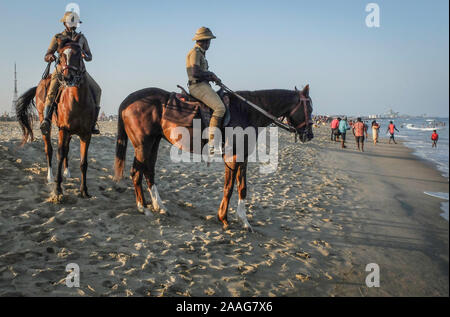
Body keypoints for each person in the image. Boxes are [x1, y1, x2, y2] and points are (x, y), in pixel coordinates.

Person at [40, 11, 102, 135]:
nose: (73, 25)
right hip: (61, 70)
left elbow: (90, 56)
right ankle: (46, 120)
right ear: (65, 23)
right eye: (71, 23)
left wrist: (85, 56)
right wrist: (50, 56)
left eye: (75, 23)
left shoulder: (82, 38)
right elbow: (46, 55)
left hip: (79, 71)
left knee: (97, 90)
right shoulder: (58, 37)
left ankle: (93, 122)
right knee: (51, 91)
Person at [186, 27, 225, 156]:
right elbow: (195, 72)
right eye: (208, 41)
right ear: (202, 41)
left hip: (203, 85)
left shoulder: (201, 53)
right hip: (197, 86)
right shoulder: (195, 53)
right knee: (220, 108)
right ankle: (212, 144)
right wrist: (210, 74)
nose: (209, 44)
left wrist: (211, 77)